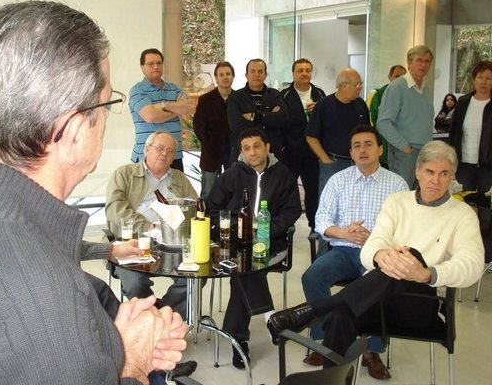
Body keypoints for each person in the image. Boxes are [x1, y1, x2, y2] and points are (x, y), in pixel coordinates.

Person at [0, 1, 188, 385]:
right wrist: (133, 363)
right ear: (74, 131)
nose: (108, 118)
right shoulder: (48, 299)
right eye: (108, 102)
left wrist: (112, 343)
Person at [268, 140, 484, 366]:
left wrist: (427, 273)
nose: (435, 180)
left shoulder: (462, 214)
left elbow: (473, 264)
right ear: (418, 172)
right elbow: (373, 244)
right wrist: (380, 255)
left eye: (444, 174)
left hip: (420, 305)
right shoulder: (397, 202)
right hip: (380, 301)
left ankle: (312, 311)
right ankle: (331, 378)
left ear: (452, 176)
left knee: (411, 255)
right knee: (341, 315)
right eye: (430, 172)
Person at [301, 125, 408, 379]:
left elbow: (405, 227)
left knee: (377, 286)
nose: (362, 150)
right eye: (356, 146)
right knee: (311, 277)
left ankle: (372, 350)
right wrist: (343, 233)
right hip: (343, 250)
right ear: (350, 153)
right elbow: (321, 219)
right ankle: (325, 341)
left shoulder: (397, 184)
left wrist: (377, 238)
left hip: (378, 254)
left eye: (368, 144)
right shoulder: (338, 180)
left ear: (380, 149)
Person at [206, 128, 302, 369]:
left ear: (267, 147)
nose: (252, 153)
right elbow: (212, 208)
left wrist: (268, 229)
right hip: (234, 241)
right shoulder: (232, 174)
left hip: (270, 242)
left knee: (244, 271)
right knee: (245, 269)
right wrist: (233, 226)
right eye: (246, 148)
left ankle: (238, 339)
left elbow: (291, 210)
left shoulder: (283, 175)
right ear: (241, 151)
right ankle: (270, 317)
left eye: (257, 146)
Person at [106, 130, 198, 317]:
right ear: (147, 149)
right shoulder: (124, 174)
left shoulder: (179, 178)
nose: (164, 154)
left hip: (173, 243)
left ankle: (161, 316)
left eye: (170, 151)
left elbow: (195, 207)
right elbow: (115, 209)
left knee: (195, 276)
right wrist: (147, 226)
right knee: (135, 283)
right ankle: (160, 317)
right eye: (159, 148)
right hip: (133, 241)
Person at [449, 60, 492, 263]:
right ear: (473, 79)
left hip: (487, 166)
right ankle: (463, 252)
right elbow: (454, 132)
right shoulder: (464, 102)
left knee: (486, 210)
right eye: (480, 77)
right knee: (462, 207)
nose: (484, 82)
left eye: (489, 78)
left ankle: (486, 255)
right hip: (464, 163)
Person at [306, 68, 370, 196]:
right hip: (333, 163)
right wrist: (325, 160)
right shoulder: (324, 105)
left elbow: (368, 133)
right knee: (330, 201)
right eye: (357, 85)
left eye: (361, 84)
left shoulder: (361, 105)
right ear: (344, 85)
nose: (360, 88)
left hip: (358, 163)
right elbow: (311, 137)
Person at [377, 45, 434, 188]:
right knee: (402, 194)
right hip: (405, 153)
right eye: (419, 60)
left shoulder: (426, 88)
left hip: (425, 153)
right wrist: (404, 146)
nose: (423, 65)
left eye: (427, 61)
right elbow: (383, 123)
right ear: (409, 62)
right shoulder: (397, 87)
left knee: (419, 196)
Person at [129, 48, 195, 172]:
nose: (156, 67)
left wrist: (163, 106)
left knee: (176, 186)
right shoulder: (137, 90)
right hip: (148, 157)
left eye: (159, 63)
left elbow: (190, 107)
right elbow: (150, 116)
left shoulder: (174, 88)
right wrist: (177, 107)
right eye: (150, 64)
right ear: (142, 67)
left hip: (173, 156)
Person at [280, 58, 327, 232]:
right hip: (290, 152)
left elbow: (327, 120)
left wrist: (319, 110)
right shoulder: (284, 95)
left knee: (313, 191)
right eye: (300, 70)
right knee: (287, 190)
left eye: (308, 70)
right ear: (293, 73)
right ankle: (286, 225)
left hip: (313, 153)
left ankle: (315, 226)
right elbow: (280, 122)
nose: (304, 73)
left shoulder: (320, 94)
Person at [227, 58, 288, 162]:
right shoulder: (235, 97)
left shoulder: (274, 94)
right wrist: (269, 117)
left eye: (260, 71)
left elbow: (283, 118)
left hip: (272, 153)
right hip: (245, 155)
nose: (257, 75)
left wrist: (254, 117)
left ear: (265, 75)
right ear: (246, 75)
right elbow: (237, 126)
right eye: (253, 71)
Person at [193, 61, 234, 199]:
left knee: (232, 192)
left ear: (233, 76)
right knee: (208, 192)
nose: (225, 77)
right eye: (221, 74)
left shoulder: (239, 98)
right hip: (211, 153)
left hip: (233, 153)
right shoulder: (206, 100)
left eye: (228, 74)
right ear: (216, 78)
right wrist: (209, 142)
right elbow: (199, 126)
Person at [367, 64, 407, 167]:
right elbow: (372, 122)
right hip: (383, 147)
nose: (400, 80)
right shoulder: (378, 95)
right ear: (390, 77)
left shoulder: (410, 96)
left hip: (403, 148)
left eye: (403, 77)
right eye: (397, 76)